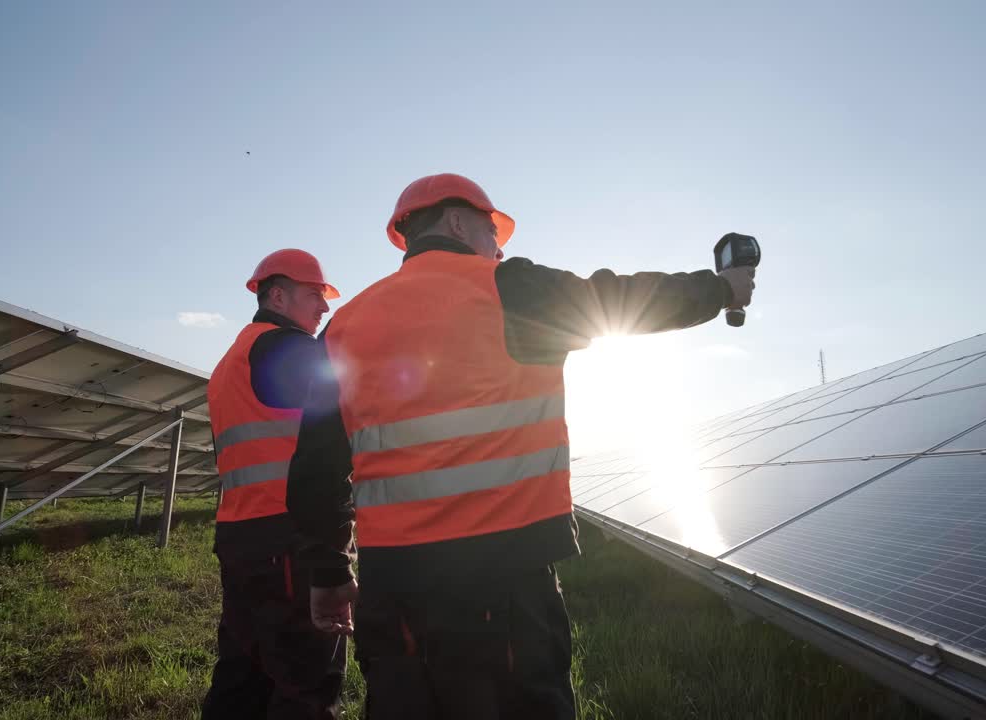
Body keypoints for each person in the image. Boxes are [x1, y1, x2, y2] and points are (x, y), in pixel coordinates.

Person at [286, 174, 756, 720]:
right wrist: (721, 289)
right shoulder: (508, 287)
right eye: (491, 230)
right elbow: (620, 299)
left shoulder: (344, 326)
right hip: (503, 586)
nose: (499, 245)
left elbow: (315, 471)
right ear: (457, 221)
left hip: (394, 590)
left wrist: (328, 574)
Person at [201, 249, 347, 720]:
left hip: (241, 535)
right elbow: (355, 395)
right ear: (278, 295)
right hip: (289, 536)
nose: (324, 308)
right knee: (304, 681)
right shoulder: (285, 349)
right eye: (314, 295)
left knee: (244, 675)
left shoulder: (235, 357)